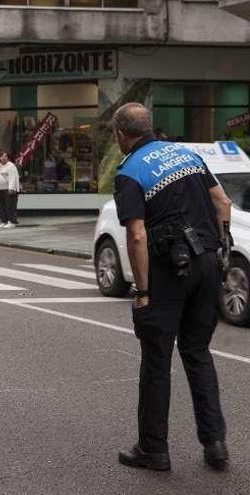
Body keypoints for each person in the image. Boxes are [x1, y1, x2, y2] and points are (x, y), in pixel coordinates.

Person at [112, 102, 232, 472]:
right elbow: (222, 202)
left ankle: (154, 450)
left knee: (157, 359)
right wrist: (220, 246)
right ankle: (215, 445)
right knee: (198, 353)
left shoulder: (130, 171)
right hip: (209, 263)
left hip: (168, 272)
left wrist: (143, 292)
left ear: (120, 134)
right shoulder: (186, 154)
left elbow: (135, 235)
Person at [0, 152, 20, 228]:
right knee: (2, 206)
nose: (3, 158)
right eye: (2, 156)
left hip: (8, 189)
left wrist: (11, 188)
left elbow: (13, 177)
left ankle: (12, 221)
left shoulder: (11, 166)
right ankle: (4, 221)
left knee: (10, 206)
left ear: (8, 157)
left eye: (5, 156)